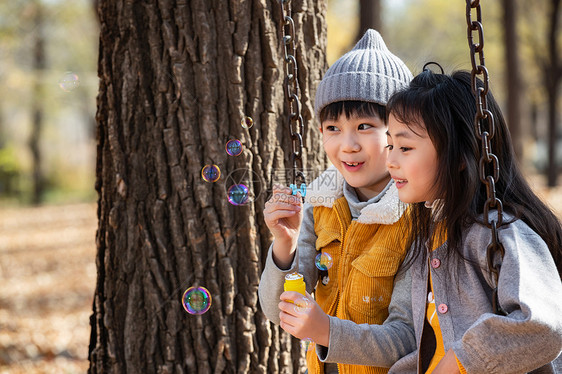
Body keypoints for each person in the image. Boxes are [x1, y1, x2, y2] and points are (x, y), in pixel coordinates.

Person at [276, 64, 562, 374]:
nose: (391, 160)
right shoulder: (428, 234)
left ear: (460, 157)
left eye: (405, 147)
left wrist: (459, 361)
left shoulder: (500, 232)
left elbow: (544, 326)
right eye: (390, 146)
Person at [258, 29, 414, 374]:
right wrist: (286, 244)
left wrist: (326, 331)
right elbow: (278, 309)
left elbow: (408, 338)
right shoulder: (322, 201)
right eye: (332, 128)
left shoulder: (414, 213)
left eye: (364, 126)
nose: (347, 145)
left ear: (399, 134)